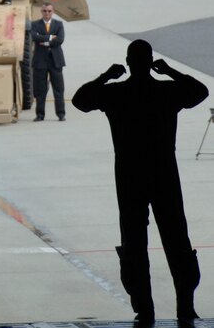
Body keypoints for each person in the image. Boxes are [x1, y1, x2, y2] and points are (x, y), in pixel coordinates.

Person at [72, 39, 208, 324]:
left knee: (134, 243)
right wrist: (169, 70)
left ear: (129, 63)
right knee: (177, 240)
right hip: (164, 172)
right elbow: (200, 91)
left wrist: (106, 76)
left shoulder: (116, 93)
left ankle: (144, 309)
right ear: (150, 63)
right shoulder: (166, 91)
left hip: (129, 174)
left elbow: (80, 100)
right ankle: (185, 305)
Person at [32, 3, 66, 121]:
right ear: (41, 12)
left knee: (58, 88)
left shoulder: (58, 24)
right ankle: (40, 115)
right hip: (40, 61)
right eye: (45, 11)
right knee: (40, 90)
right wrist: (52, 37)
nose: (47, 13)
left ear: (53, 12)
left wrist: (45, 41)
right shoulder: (35, 24)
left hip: (55, 61)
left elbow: (60, 39)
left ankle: (61, 114)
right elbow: (34, 37)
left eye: (49, 11)